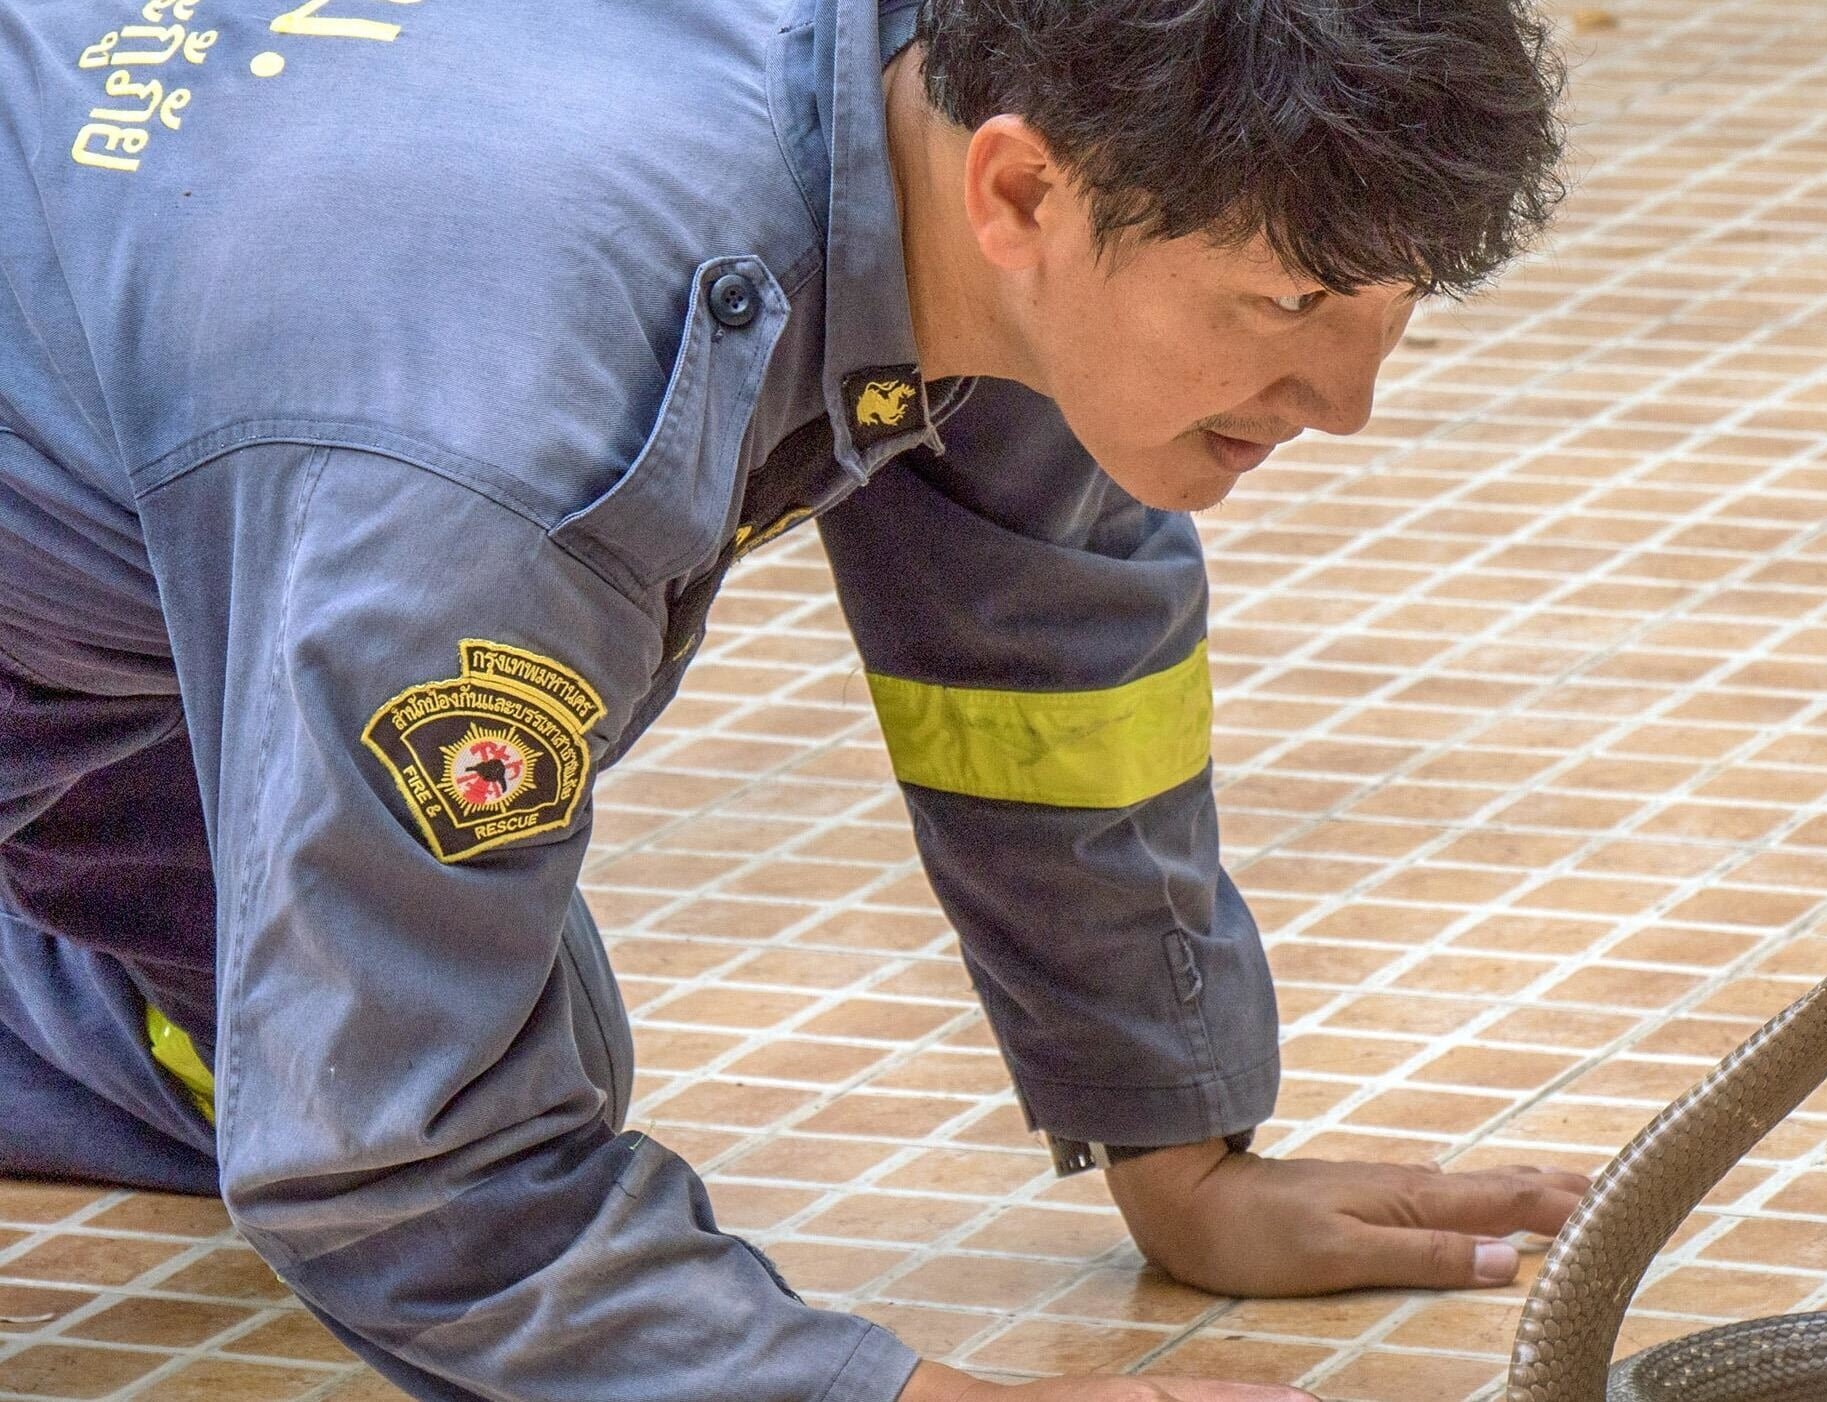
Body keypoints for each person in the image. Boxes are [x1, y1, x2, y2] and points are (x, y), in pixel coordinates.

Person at [0, 1, 1581, 1397]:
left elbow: (1046, 636)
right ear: (1022, 190)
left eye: (1394, 306)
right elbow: (403, 1168)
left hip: (121, 559)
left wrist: (1182, 1146)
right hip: (215, 493)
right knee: (438, 1083)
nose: (1349, 405)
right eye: (1294, 305)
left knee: (400, 1013)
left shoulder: (956, 97)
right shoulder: (501, 442)